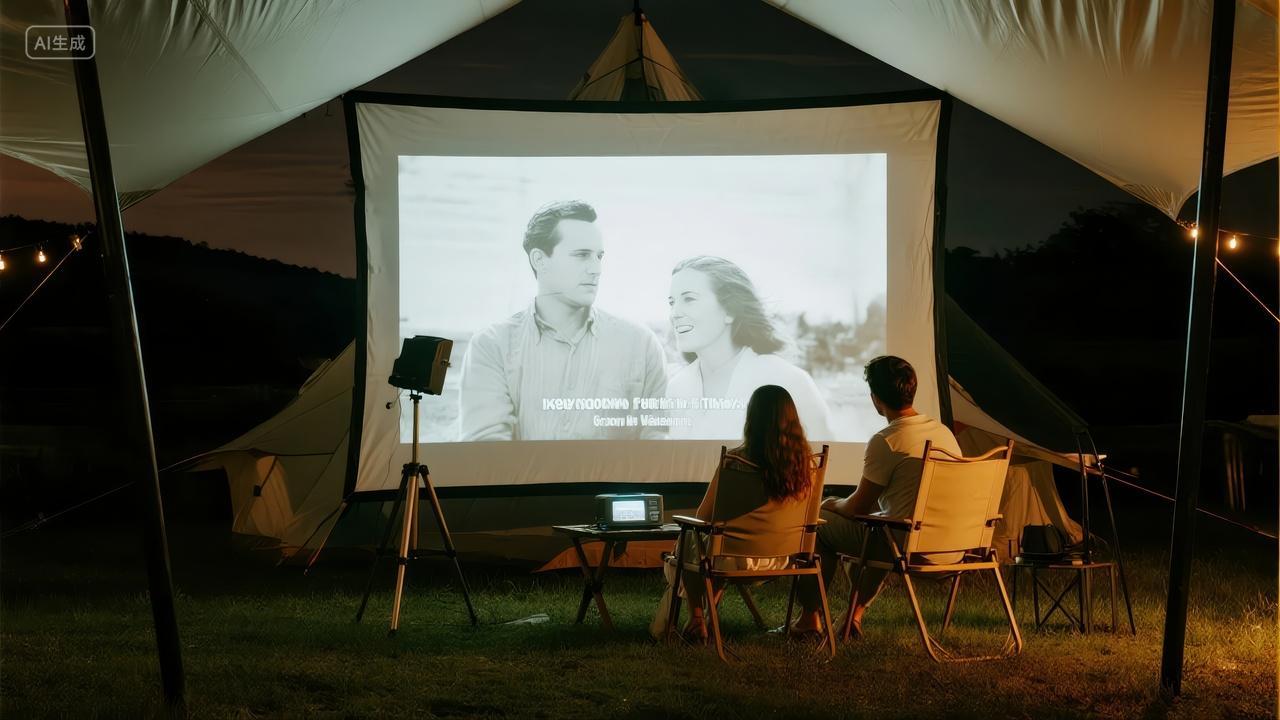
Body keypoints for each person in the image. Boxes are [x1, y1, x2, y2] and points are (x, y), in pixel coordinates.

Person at [457, 200, 668, 440]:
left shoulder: (641, 344)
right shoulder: (492, 346)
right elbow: (486, 448)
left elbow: (658, 442)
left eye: (599, 256)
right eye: (582, 255)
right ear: (539, 260)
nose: (596, 269)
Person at [791, 355, 961, 638]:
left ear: (874, 398)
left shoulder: (888, 440)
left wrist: (831, 503)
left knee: (820, 524)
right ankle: (852, 618)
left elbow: (859, 505)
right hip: (955, 547)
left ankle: (810, 619)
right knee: (881, 526)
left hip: (910, 547)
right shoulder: (943, 434)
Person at [650, 384, 818, 641]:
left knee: (690, 539)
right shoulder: (808, 465)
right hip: (784, 558)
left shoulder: (736, 462)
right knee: (702, 547)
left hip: (731, 557)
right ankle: (705, 618)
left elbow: (703, 516)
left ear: (752, 420)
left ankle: (697, 619)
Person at [665, 255, 833, 440]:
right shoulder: (677, 388)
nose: (674, 313)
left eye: (689, 299)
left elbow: (826, 458)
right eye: (672, 302)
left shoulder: (786, 379)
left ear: (729, 311)